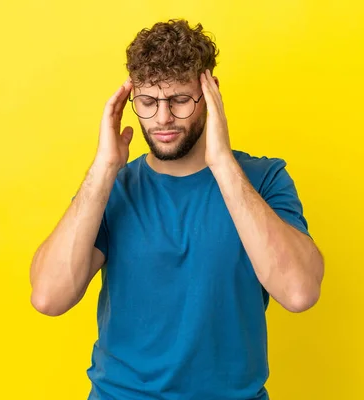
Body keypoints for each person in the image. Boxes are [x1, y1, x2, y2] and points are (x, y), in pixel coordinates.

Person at [30, 19, 325, 400]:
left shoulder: (265, 179)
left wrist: (221, 163)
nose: (163, 118)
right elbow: (49, 298)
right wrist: (104, 168)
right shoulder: (112, 187)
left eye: (180, 100)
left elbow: (299, 293)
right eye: (148, 102)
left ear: (210, 93)